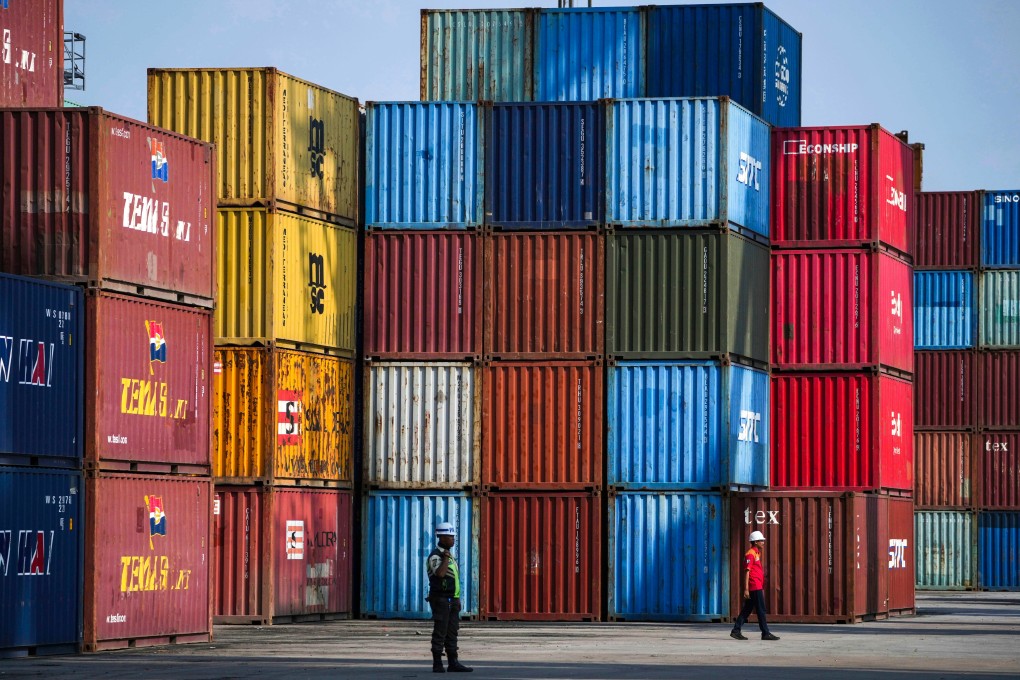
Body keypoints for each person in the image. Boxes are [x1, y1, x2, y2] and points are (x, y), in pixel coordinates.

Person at [426, 522, 473, 673]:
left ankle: (453, 662)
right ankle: (437, 663)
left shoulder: (449, 555)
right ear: (441, 537)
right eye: (450, 537)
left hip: (452, 600)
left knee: (452, 632)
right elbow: (439, 574)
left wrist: (457, 599)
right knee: (440, 632)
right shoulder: (435, 556)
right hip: (441, 600)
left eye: (453, 537)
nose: (453, 540)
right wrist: (445, 558)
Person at [730, 530, 781, 641]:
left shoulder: (757, 553)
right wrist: (746, 589)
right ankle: (765, 633)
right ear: (756, 542)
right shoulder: (751, 554)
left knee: (747, 610)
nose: (763, 542)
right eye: (761, 540)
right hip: (754, 586)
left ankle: (736, 630)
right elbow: (747, 571)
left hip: (757, 585)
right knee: (761, 610)